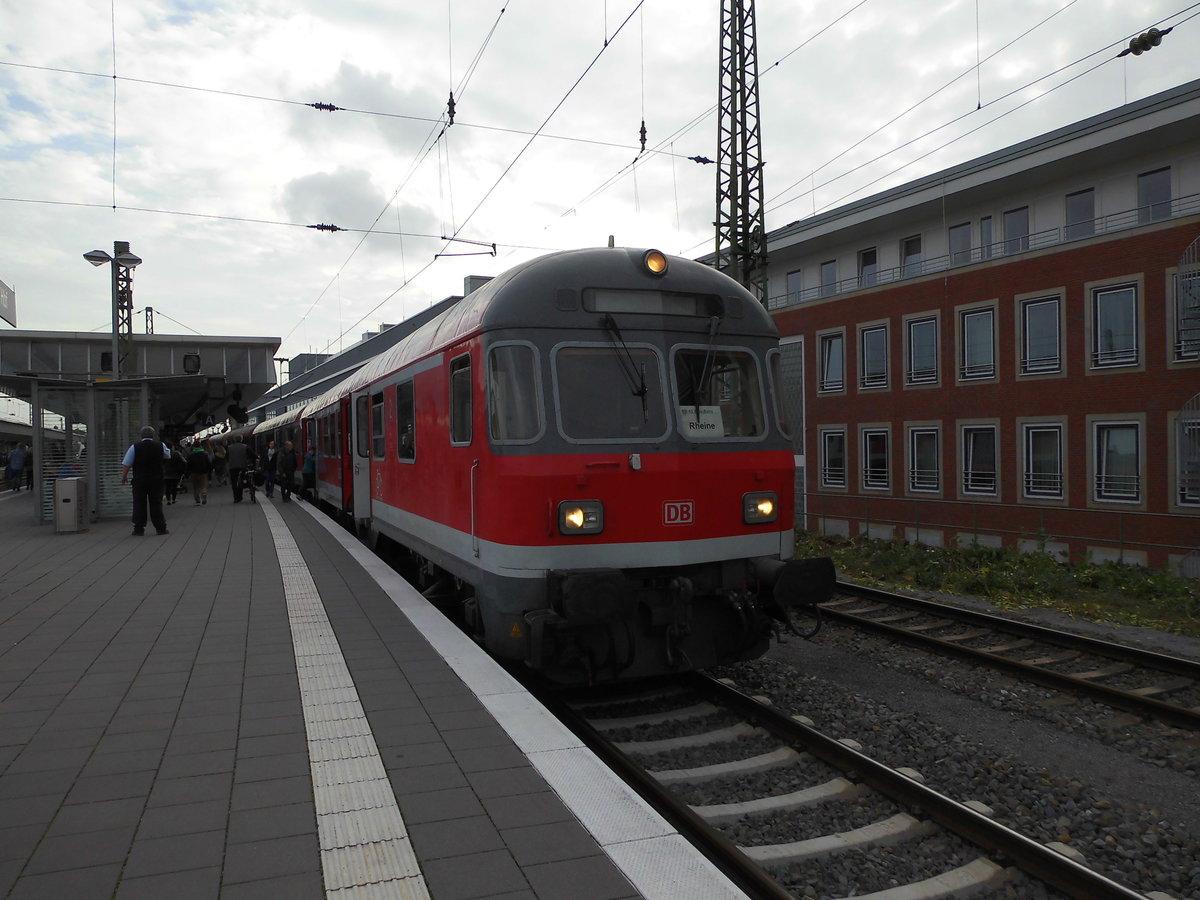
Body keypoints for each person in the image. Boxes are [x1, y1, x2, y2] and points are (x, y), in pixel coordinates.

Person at [120, 426, 170, 536]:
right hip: (156, 479)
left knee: (139, 503)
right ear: (153, 435)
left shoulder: (134, 447)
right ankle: (160, 527)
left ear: (141, 435)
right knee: (156, 503)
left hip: (139, 479)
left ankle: (139, 528)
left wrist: (124, 476)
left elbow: (127, 463)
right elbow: (168, 456)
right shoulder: (161, 446)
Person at [226, 435, 252, 503]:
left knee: (234, 483)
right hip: (242, 467)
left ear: (234, 440)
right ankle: (240, 497)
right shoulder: (245, 446)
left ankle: (235, 498)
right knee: (241, 481)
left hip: (232, 467)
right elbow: (252, 454)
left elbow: (226, 457)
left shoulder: (229, 447)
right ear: (241, 439)